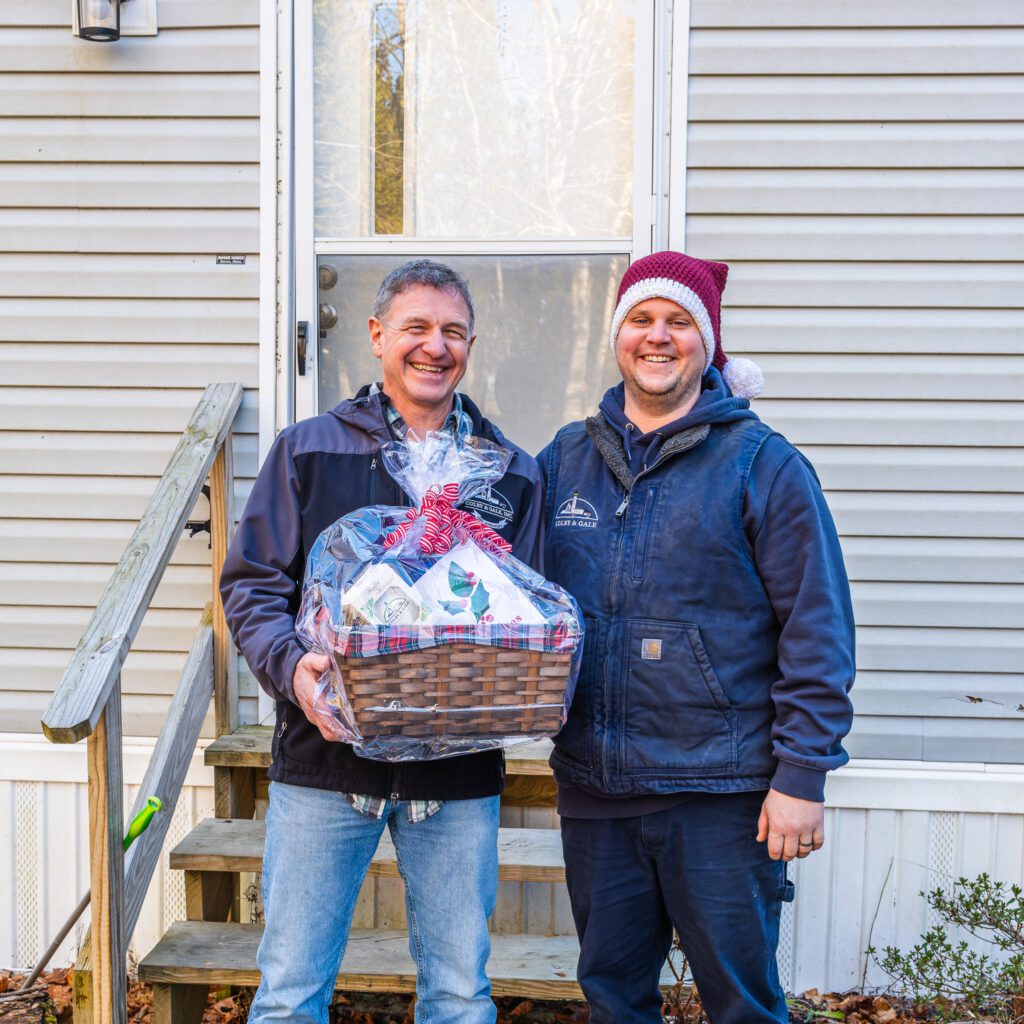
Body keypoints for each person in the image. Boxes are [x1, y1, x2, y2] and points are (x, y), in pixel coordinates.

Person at [220, 259, 544, 1024]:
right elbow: (252, 583)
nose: (436, 347)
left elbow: (527, 611)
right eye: (417, 328)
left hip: (457, 777)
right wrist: (293, 667)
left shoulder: (509, 475)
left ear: (471, 345)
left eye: (454, 332)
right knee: (290, 995)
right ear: (376, 337)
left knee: (461, 997)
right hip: (327, 764)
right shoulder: (310, 451)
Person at [538, 251, 856, 1024]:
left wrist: (802, 776)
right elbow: (506, 590)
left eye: (678, 322)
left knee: (741, 1006)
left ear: (706, 342)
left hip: (720, 793)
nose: (657, 337)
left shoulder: (763, 466)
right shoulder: (565, 460)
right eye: (641, 319)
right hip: (596, 789)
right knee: (614, 1000)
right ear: (617, 336)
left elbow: (817, 628)